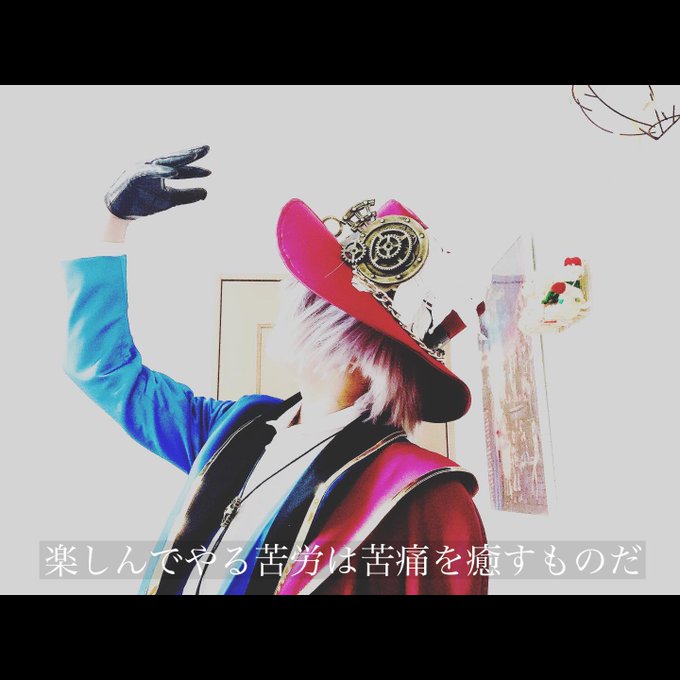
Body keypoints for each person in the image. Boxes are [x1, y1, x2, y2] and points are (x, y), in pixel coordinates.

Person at [61, 145, 488, 595]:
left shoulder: (425, 497)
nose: (285, 305)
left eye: (304, 298)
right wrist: (112, 222)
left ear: (350, 348)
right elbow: (104, 369)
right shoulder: (233, 428)